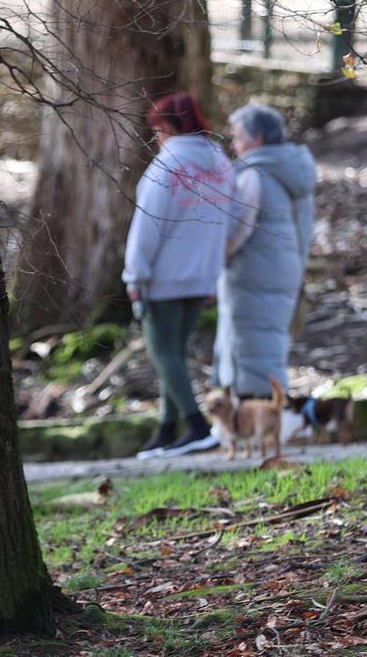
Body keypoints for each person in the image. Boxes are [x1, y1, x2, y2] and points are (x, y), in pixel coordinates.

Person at [123, 92, 241, 459]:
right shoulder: (221, 165)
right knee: (173, 353)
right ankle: (165, 430)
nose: (156, 138)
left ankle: (196, 426)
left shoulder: (167, 166)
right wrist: (211, 270)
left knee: (163, 353)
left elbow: (147, 227)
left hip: (163, 278)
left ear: (169, 127)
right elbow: (232, 220)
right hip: (202, 276)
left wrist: (134, 276)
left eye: (157, 130)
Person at [213, 104, 317, 400]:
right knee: (271, 345)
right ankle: (271, 419)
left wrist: (215, 258)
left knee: (251, 348)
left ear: (257, 139)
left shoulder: (254, 174)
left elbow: (237, 229)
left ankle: (257, 422)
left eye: (238, 136)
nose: (233, 144)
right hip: (286, 270)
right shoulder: (293, 170)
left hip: (253, 273)